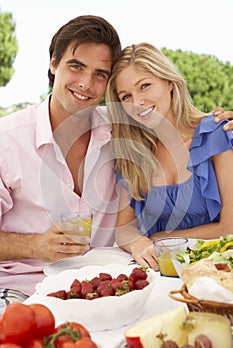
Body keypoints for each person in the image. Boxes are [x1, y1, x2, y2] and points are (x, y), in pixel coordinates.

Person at [0, 15, 121, 310]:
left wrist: (220, 126)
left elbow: (181, 128)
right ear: (53, 63)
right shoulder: (8, 140)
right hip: (25, 291)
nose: (85, 84)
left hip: (107, 289)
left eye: (100, 74)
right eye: (76, 66)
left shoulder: (121, 131)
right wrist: (34, 245)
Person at [105, 42, 233, 270]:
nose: (137, 103)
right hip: (161, 274)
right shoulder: (132, 153)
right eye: (126, 96)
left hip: (219, 272)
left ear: (169, 82)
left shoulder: (215, 133)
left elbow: (229, 227)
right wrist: (138, 244)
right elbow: (124, 227)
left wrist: (161, 239)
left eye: (145, 86)